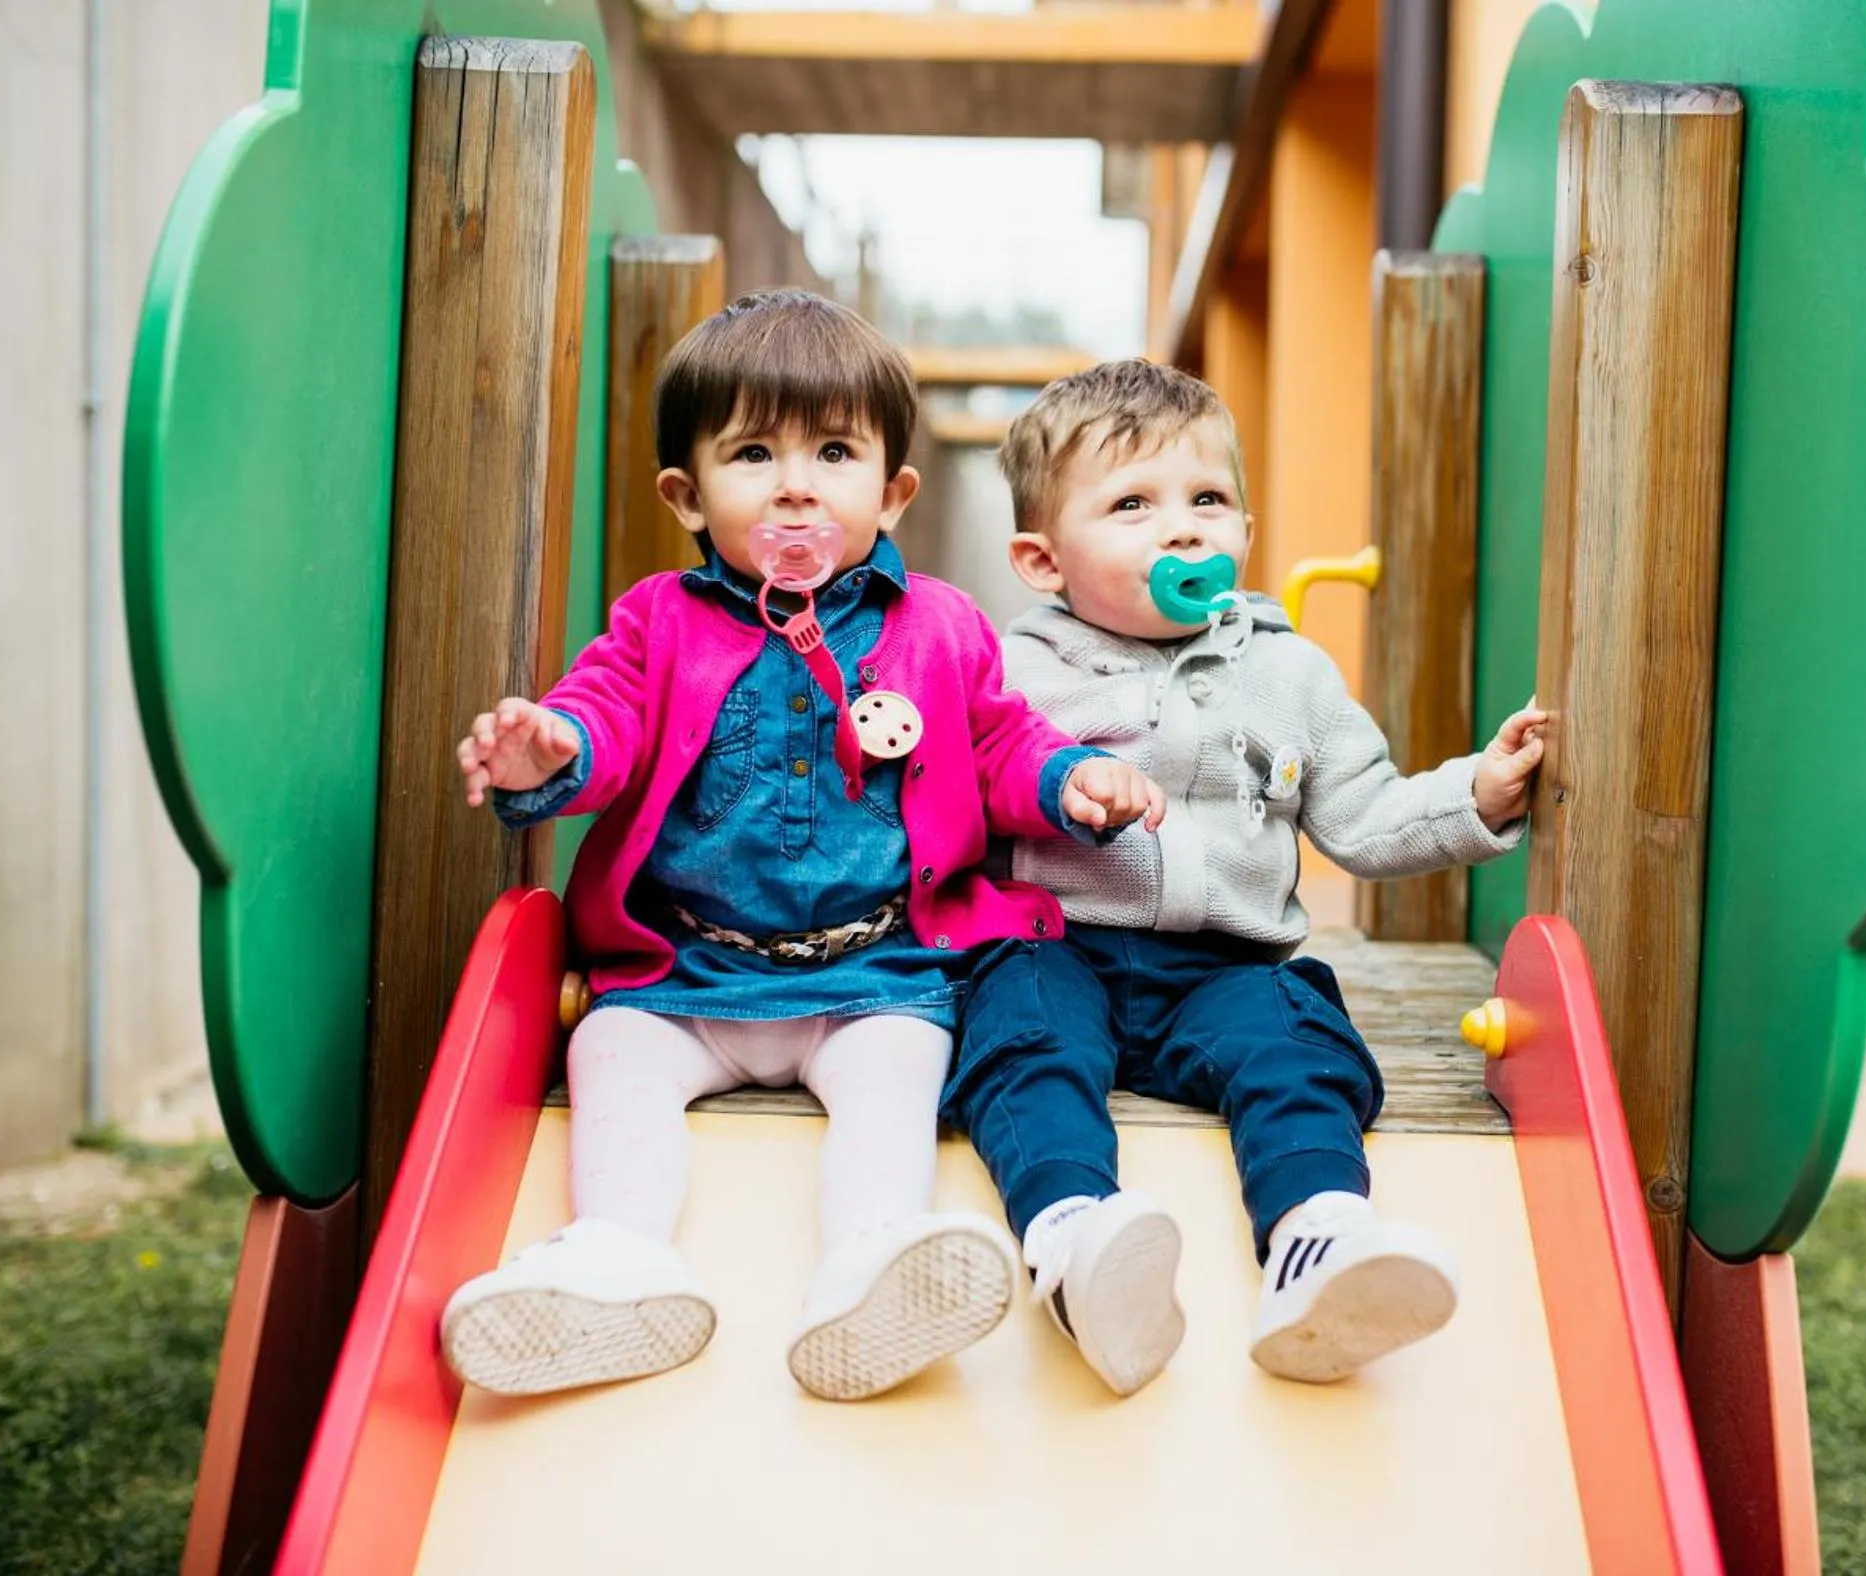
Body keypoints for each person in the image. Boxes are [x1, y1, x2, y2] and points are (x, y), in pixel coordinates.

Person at [442, 294, 1164, 1403]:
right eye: (752, 453)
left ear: (891, 491)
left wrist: (1073, 781)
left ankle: (871, 1262)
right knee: (612, 1059)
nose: (795, 483)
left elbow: (997, 738)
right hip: (686, 972)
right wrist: (553, 750)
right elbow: (608, 712)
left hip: (874, 972)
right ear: (686, 496)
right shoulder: (657, 620)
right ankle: (616, 1258)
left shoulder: (939, 623)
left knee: (897, 1079)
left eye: (833, 451)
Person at [943, 359, 1545, 1395]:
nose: (1182, 530)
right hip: (1060, 947)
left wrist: (1477, 796)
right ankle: (1072, 1241)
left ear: (1246, 535)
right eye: (1132, 505)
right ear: (1042, 561)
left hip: (1223, 966)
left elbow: (1362, 814)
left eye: (1207, 500)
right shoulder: (1011, 674)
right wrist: (1049, 791)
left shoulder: (1288, 673)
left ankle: (1318, 1239)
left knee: (1299, 1044)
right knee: (1019, 1044)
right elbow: (958, 802)